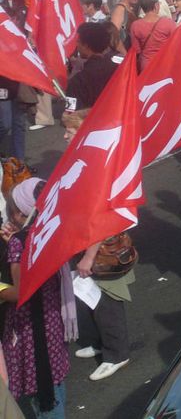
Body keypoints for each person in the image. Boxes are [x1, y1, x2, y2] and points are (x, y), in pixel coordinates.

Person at [0, 178, 75, 418]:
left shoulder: (19, 244)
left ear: (19, 213)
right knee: (56, 380)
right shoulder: (51, 229)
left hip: (32, 331)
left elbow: (22, 292)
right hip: (53, 317)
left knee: (43, 395)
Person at [73, 236, 134, 382]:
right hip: (90, 249)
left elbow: (100, 225)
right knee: (92, 301)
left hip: (102, 253)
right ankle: (104, 343)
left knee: (107, 302)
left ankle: (117, 355)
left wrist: (89, 257)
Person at [129, 0, 175, 71]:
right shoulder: (168, 23)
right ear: (156, 5)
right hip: (165, 64)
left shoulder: (135, 25)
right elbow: (175, 46)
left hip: (146, 65)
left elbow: (136, 49)